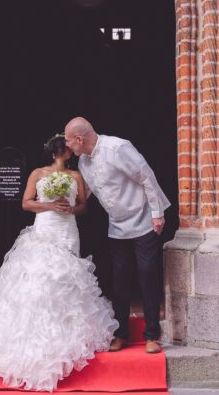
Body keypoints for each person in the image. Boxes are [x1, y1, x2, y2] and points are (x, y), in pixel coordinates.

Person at [0, 134, 118, 391]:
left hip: (67, 229)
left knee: (67, 274)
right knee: (43, 275)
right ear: (57, 151)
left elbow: (83, 206)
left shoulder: (75, 177)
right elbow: (26, 203)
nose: (69, 152)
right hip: (46, 227)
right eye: (65, 149)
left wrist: (70, 209)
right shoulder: (38, 174)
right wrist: (50, 205)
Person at [64, 117, 170, 354]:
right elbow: (90, 190)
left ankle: (152, 335)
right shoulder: (83, 162)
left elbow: (146, 176)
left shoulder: (117, 147)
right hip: (117, 225)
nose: (68, 147)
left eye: (69, 141)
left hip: (143, 218)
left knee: (147, 274)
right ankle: (121, 334)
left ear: (80, 139)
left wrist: (157, 213)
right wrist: (65, 201)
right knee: (120, 280)